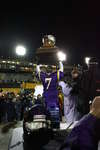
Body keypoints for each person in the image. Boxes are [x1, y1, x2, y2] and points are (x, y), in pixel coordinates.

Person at [36, 61, 64, 128]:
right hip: (54, 97)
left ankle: (47, 128)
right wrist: (60, 62)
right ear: (52, 70)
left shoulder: (43, 76)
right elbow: (62, 69)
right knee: (55, 116)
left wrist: (37, 65)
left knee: (46, 115)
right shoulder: (55, 75)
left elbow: (38, 71)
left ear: (46, 70)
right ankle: (55, 128)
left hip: (47, 97)